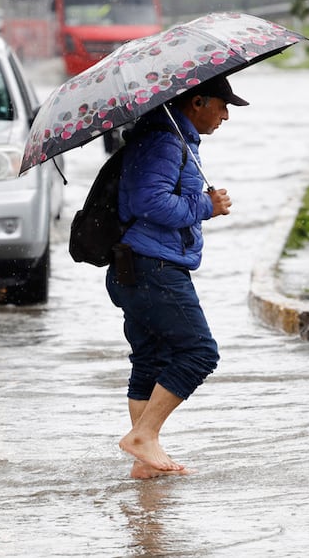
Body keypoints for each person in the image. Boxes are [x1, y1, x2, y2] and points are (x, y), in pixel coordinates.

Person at [105, 74, 247, 479]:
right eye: (223, 106)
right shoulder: (165, 142)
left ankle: (143, 459)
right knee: (199, 352)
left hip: (136, 266)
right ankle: (143, 435)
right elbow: (151, 204)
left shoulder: (165, 139)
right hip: (154, 268)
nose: (225, 115)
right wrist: (206, 206)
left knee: (150, 358)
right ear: (197, 102)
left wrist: (202, 203)